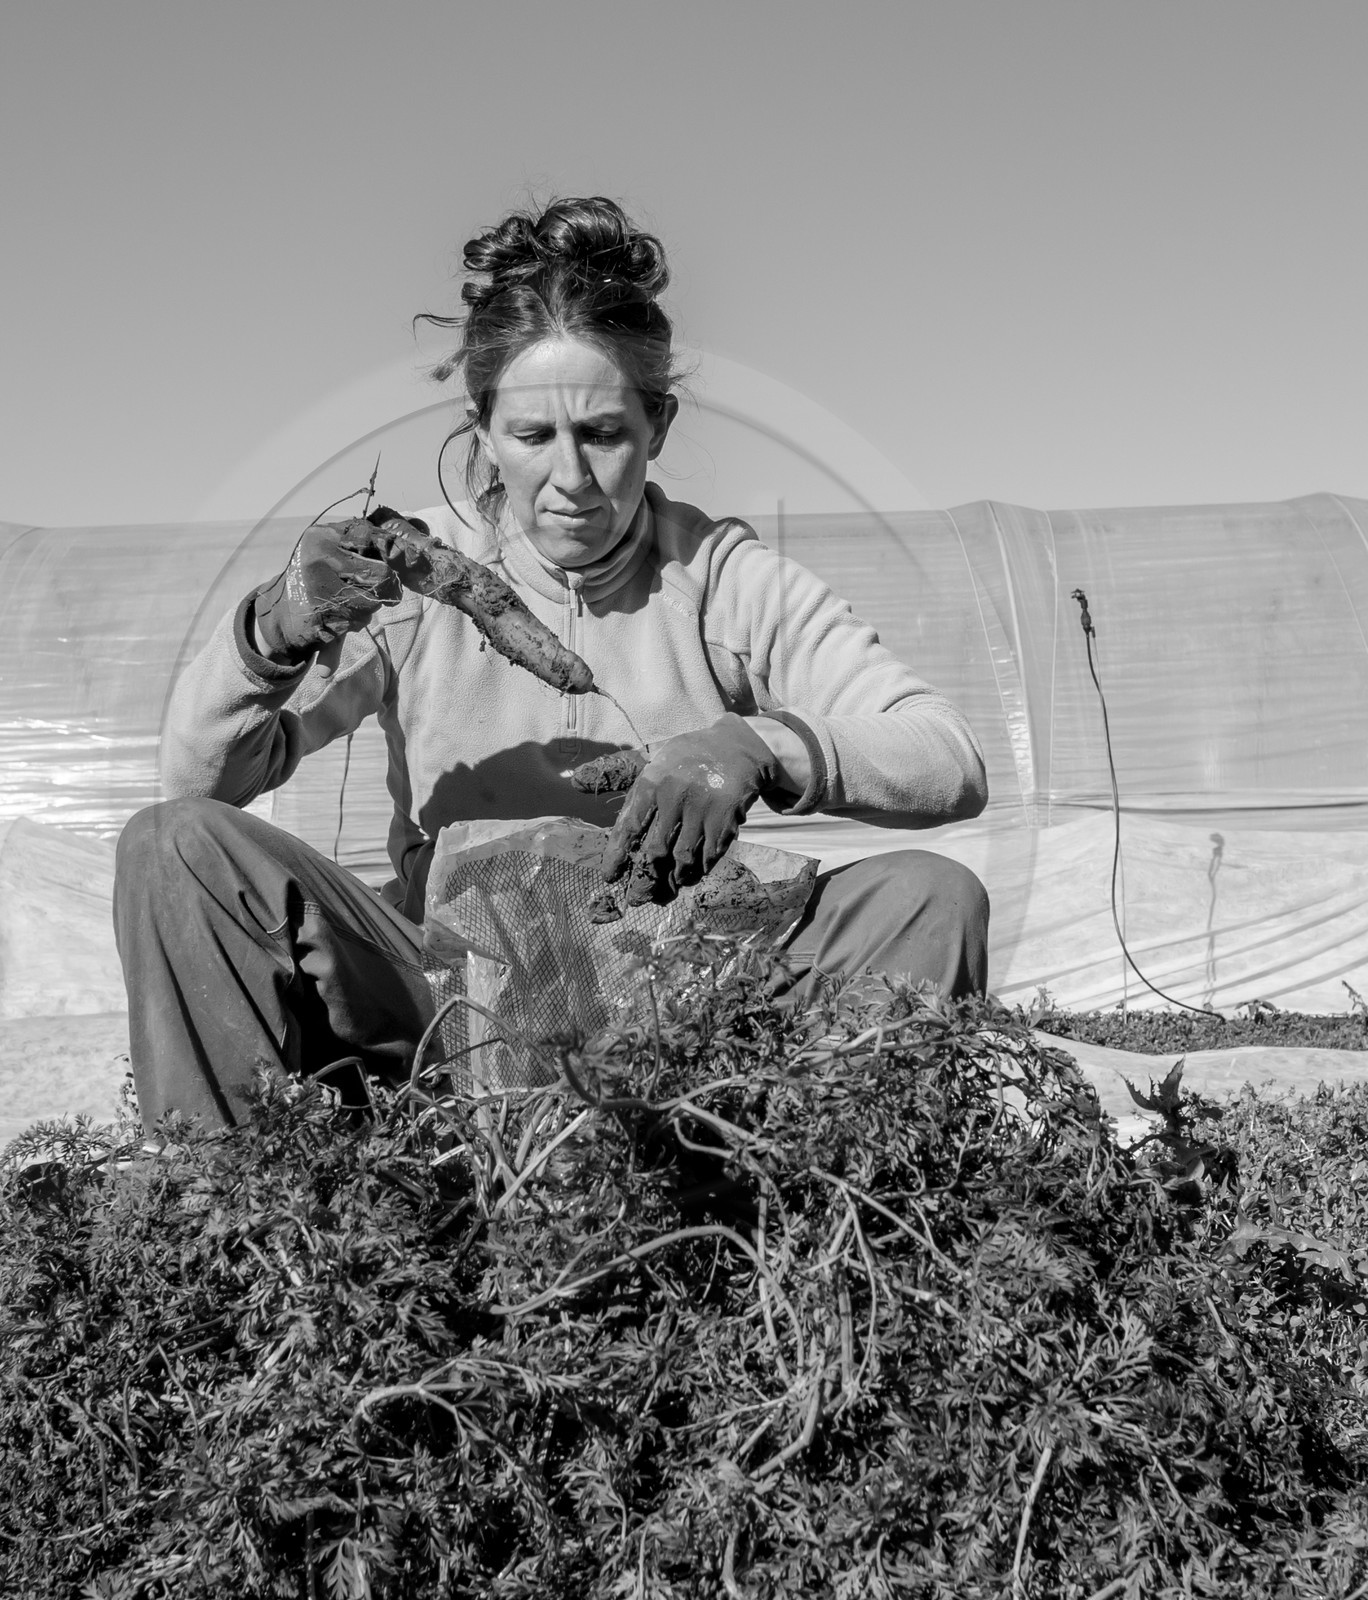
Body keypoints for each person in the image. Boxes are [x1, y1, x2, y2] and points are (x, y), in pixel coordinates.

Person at [114, 196, 990, 1132]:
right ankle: (229, 1218)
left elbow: (949, 758)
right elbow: (197, 784)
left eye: (604, 435)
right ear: (485, 427)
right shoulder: (407, 575)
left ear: (657, 423)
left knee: (930, 899)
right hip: (446, 999)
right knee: (173, 848)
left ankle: (797, 1194)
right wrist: (277, 628)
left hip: (680, 989)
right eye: (533, 437)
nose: (570, 478)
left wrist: (759, 745)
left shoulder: (727, 580)